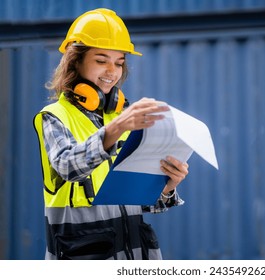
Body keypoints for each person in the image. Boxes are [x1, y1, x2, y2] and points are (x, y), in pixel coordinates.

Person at [33, 8, 189, 260]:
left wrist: (166, 187)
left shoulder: (124, 116)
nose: (112, 72)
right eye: (101, 60)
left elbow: (139, 202)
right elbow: (67, 166)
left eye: (119, 63)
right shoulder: (54, 116)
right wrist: (116, 129)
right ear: (75, 60)